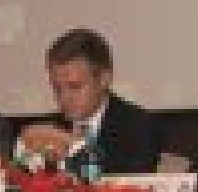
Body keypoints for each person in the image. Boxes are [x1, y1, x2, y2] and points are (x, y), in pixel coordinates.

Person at [17, 28, 160, 174]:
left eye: (75, 87)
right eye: (57, 88)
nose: (64, 98)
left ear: (104, 79)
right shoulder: (51, 128)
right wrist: (25, 149)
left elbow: (127, 181)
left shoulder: (139, 127)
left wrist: (73, 146)